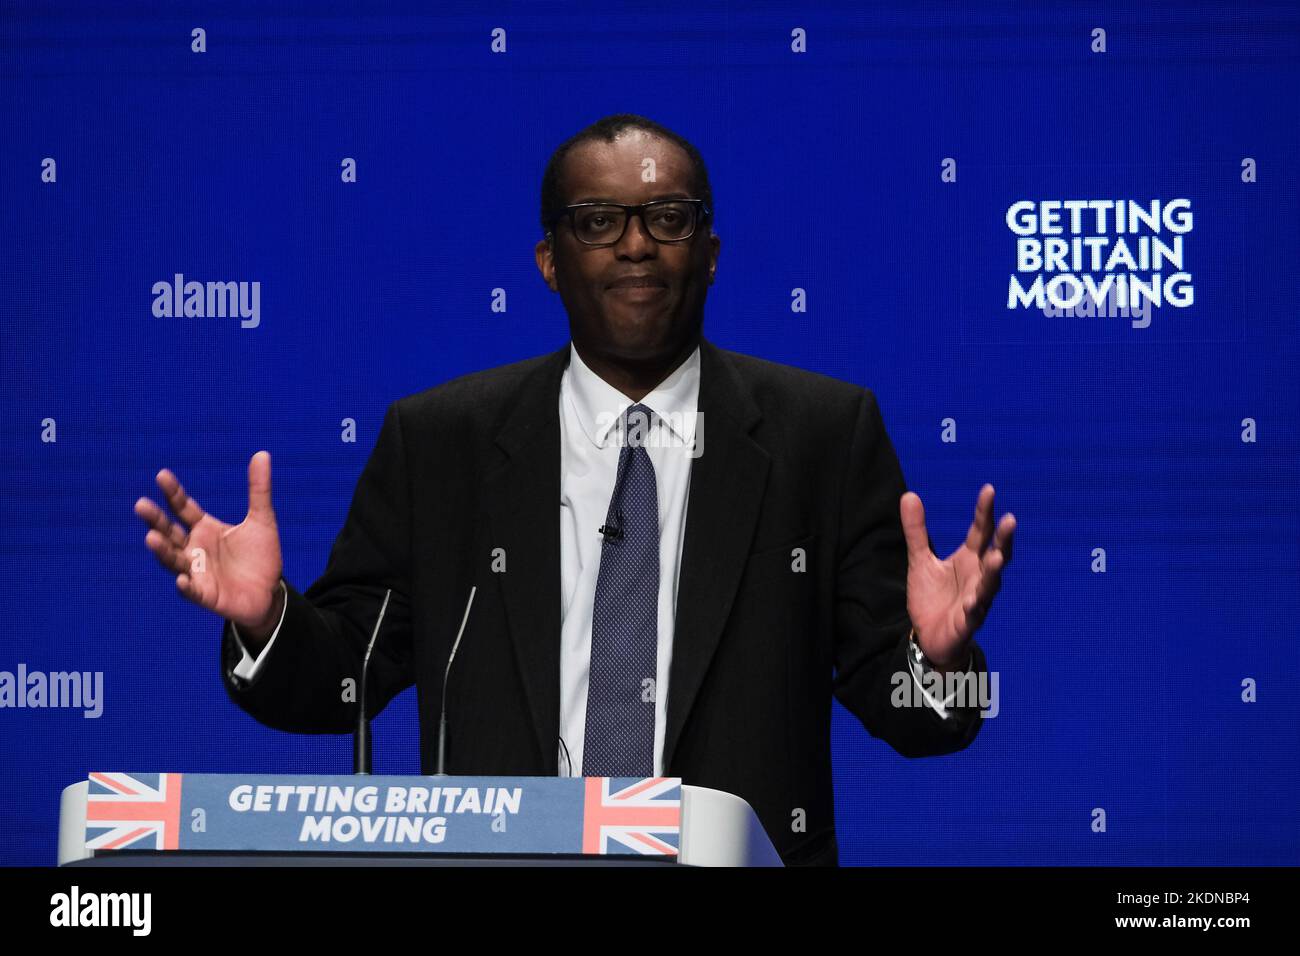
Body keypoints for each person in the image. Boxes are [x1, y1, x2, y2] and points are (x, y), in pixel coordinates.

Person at [134, 114, 1015, 866]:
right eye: (597, 222)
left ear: (709, 255)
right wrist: (264, 621)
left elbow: (916, 715)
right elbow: (343, 682)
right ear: (549, 261)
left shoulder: (822, 434)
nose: (636, 242)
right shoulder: (442, 443)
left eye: (667, 217)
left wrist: (940, 665)